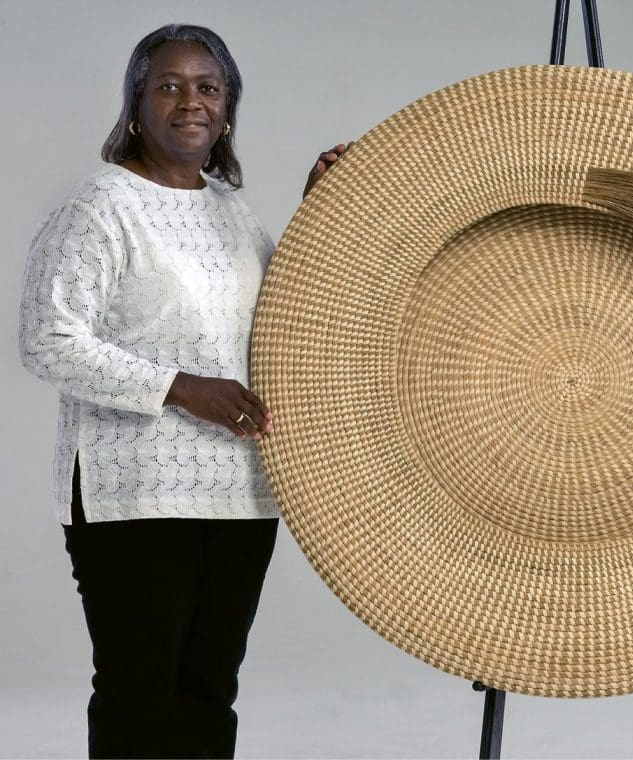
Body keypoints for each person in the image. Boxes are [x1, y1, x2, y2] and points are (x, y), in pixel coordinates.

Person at [18, 24, 348, 759]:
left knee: (209, 691)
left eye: (208, 87)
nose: (190, 101)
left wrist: (318, 208)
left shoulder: (230, 209)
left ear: (228, 109)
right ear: (136, 105)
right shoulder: (101, 204)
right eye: (169, 86)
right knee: (140, 695)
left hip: (239, 491)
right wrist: (180, 388)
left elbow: (276, 323)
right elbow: (47, 339)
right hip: (133, 490)